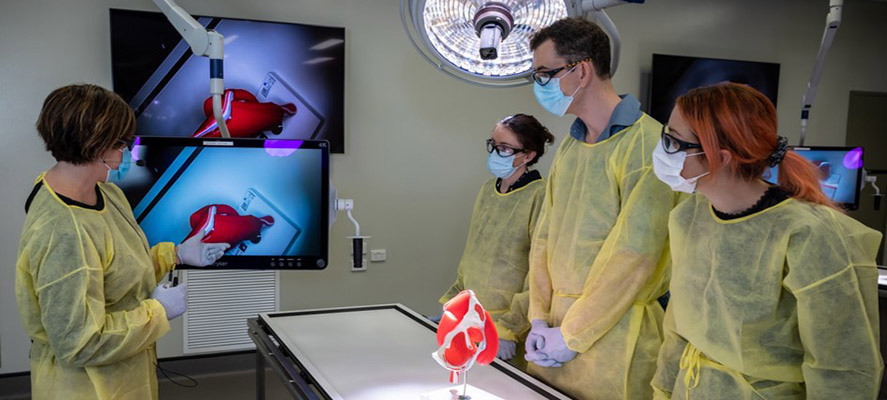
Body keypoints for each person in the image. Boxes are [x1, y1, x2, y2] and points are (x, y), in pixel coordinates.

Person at [650, 82, 883, 399]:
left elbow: (842, 370)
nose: (663, 150)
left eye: (674, 141)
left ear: (721, 157)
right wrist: (663, 391)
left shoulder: (810, 235)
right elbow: (678, 329)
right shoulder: (688, 218)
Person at [15, 84, 229, 400]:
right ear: (96, 145)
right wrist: (158, 311)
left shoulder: (106, 193)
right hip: (88, 387)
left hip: (126, 372)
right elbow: (79, 342)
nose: (125, 152)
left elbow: (119, 268)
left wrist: (176, 255)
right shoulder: (62, 231)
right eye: (120, 143)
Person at [524, 18, 681, 399]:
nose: (539, 84)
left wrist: (573, 334)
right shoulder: (571, 145)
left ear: (581, 71)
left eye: (544, 74)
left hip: (615, 340)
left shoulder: (647, 146)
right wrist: (538, 318)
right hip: (552, 334)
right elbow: (544, 238)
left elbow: (635, 257)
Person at [438, 114, 554, 370]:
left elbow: (539, 273)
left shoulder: (540, 196)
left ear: (528, 155)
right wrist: (454, 303)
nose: (495, 153)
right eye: (493, 145)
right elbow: (473, 255)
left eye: (504, 148)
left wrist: (509, 330)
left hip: (508, 326)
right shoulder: (488, 190)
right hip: (471, 317)